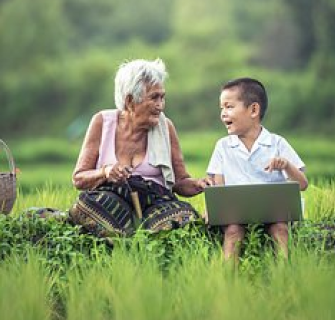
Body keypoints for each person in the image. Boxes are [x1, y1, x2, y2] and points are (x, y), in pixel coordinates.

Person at [69, 59, 210, 237]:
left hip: (155, 202)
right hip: (112, 201)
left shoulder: (166, 127)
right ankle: (132, 238)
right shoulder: (102, 122)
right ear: (129, 100)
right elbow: (79, 179)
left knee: (184, 216)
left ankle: (134, 236)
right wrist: (105, 172)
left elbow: (180, 182)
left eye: (162, 97)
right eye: (154, 98)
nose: (161, 105)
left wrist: (198, 184)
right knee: (89, 205)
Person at [206, 77, 308, 263]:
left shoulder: (277, 143)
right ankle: (227, 278)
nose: (223, 114)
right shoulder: (223, 146)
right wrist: (213, 207)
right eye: (222, 108)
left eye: (229, 107)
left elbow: (302, 184)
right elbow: (217, 185)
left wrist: (286, 165)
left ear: (253, 110)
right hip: (236, 213)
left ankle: (284, 274)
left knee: (280, 229)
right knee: (233, 231)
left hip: (274, 212)